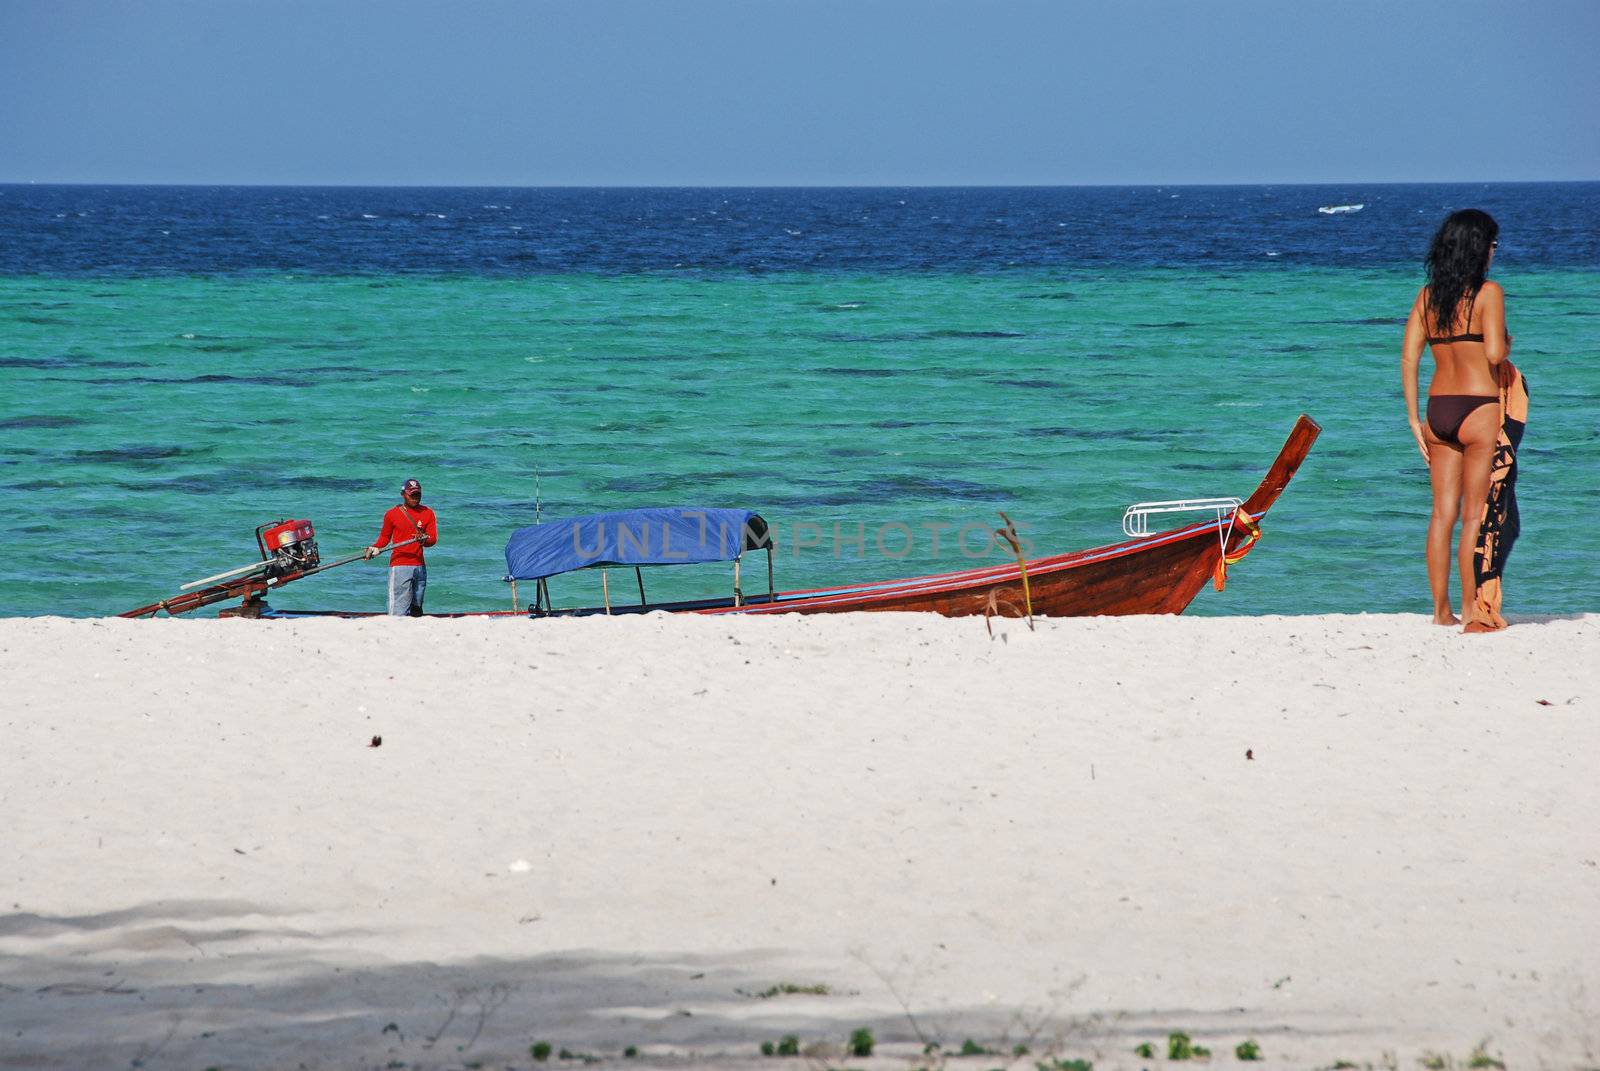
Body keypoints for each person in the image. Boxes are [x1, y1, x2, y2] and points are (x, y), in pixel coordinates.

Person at [1401, 209, 1529, 632]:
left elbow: (1409, 358)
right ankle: (1472, 610)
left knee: (1441, 515)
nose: (1494, 253)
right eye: (1493, 245)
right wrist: (1508, 339)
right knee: (1474, 515)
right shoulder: (1489, 293)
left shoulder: (1427, 296)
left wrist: (1414, 419)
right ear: (1479, 249)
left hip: (1439, 409)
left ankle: (1440, 612)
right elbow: (1494, 354)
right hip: (1478, 406)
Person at [364, 478, 439, 616]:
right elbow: (384, 538)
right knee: (399, 611)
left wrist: (423, 540)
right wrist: (374, 548)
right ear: (403, 494)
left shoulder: (428, 513)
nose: (415, 498)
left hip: (419, 566)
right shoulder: (392, 514)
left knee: (417, 609)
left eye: (418, 495)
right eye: (412, 495)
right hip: (399, 566)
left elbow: (433, 539)